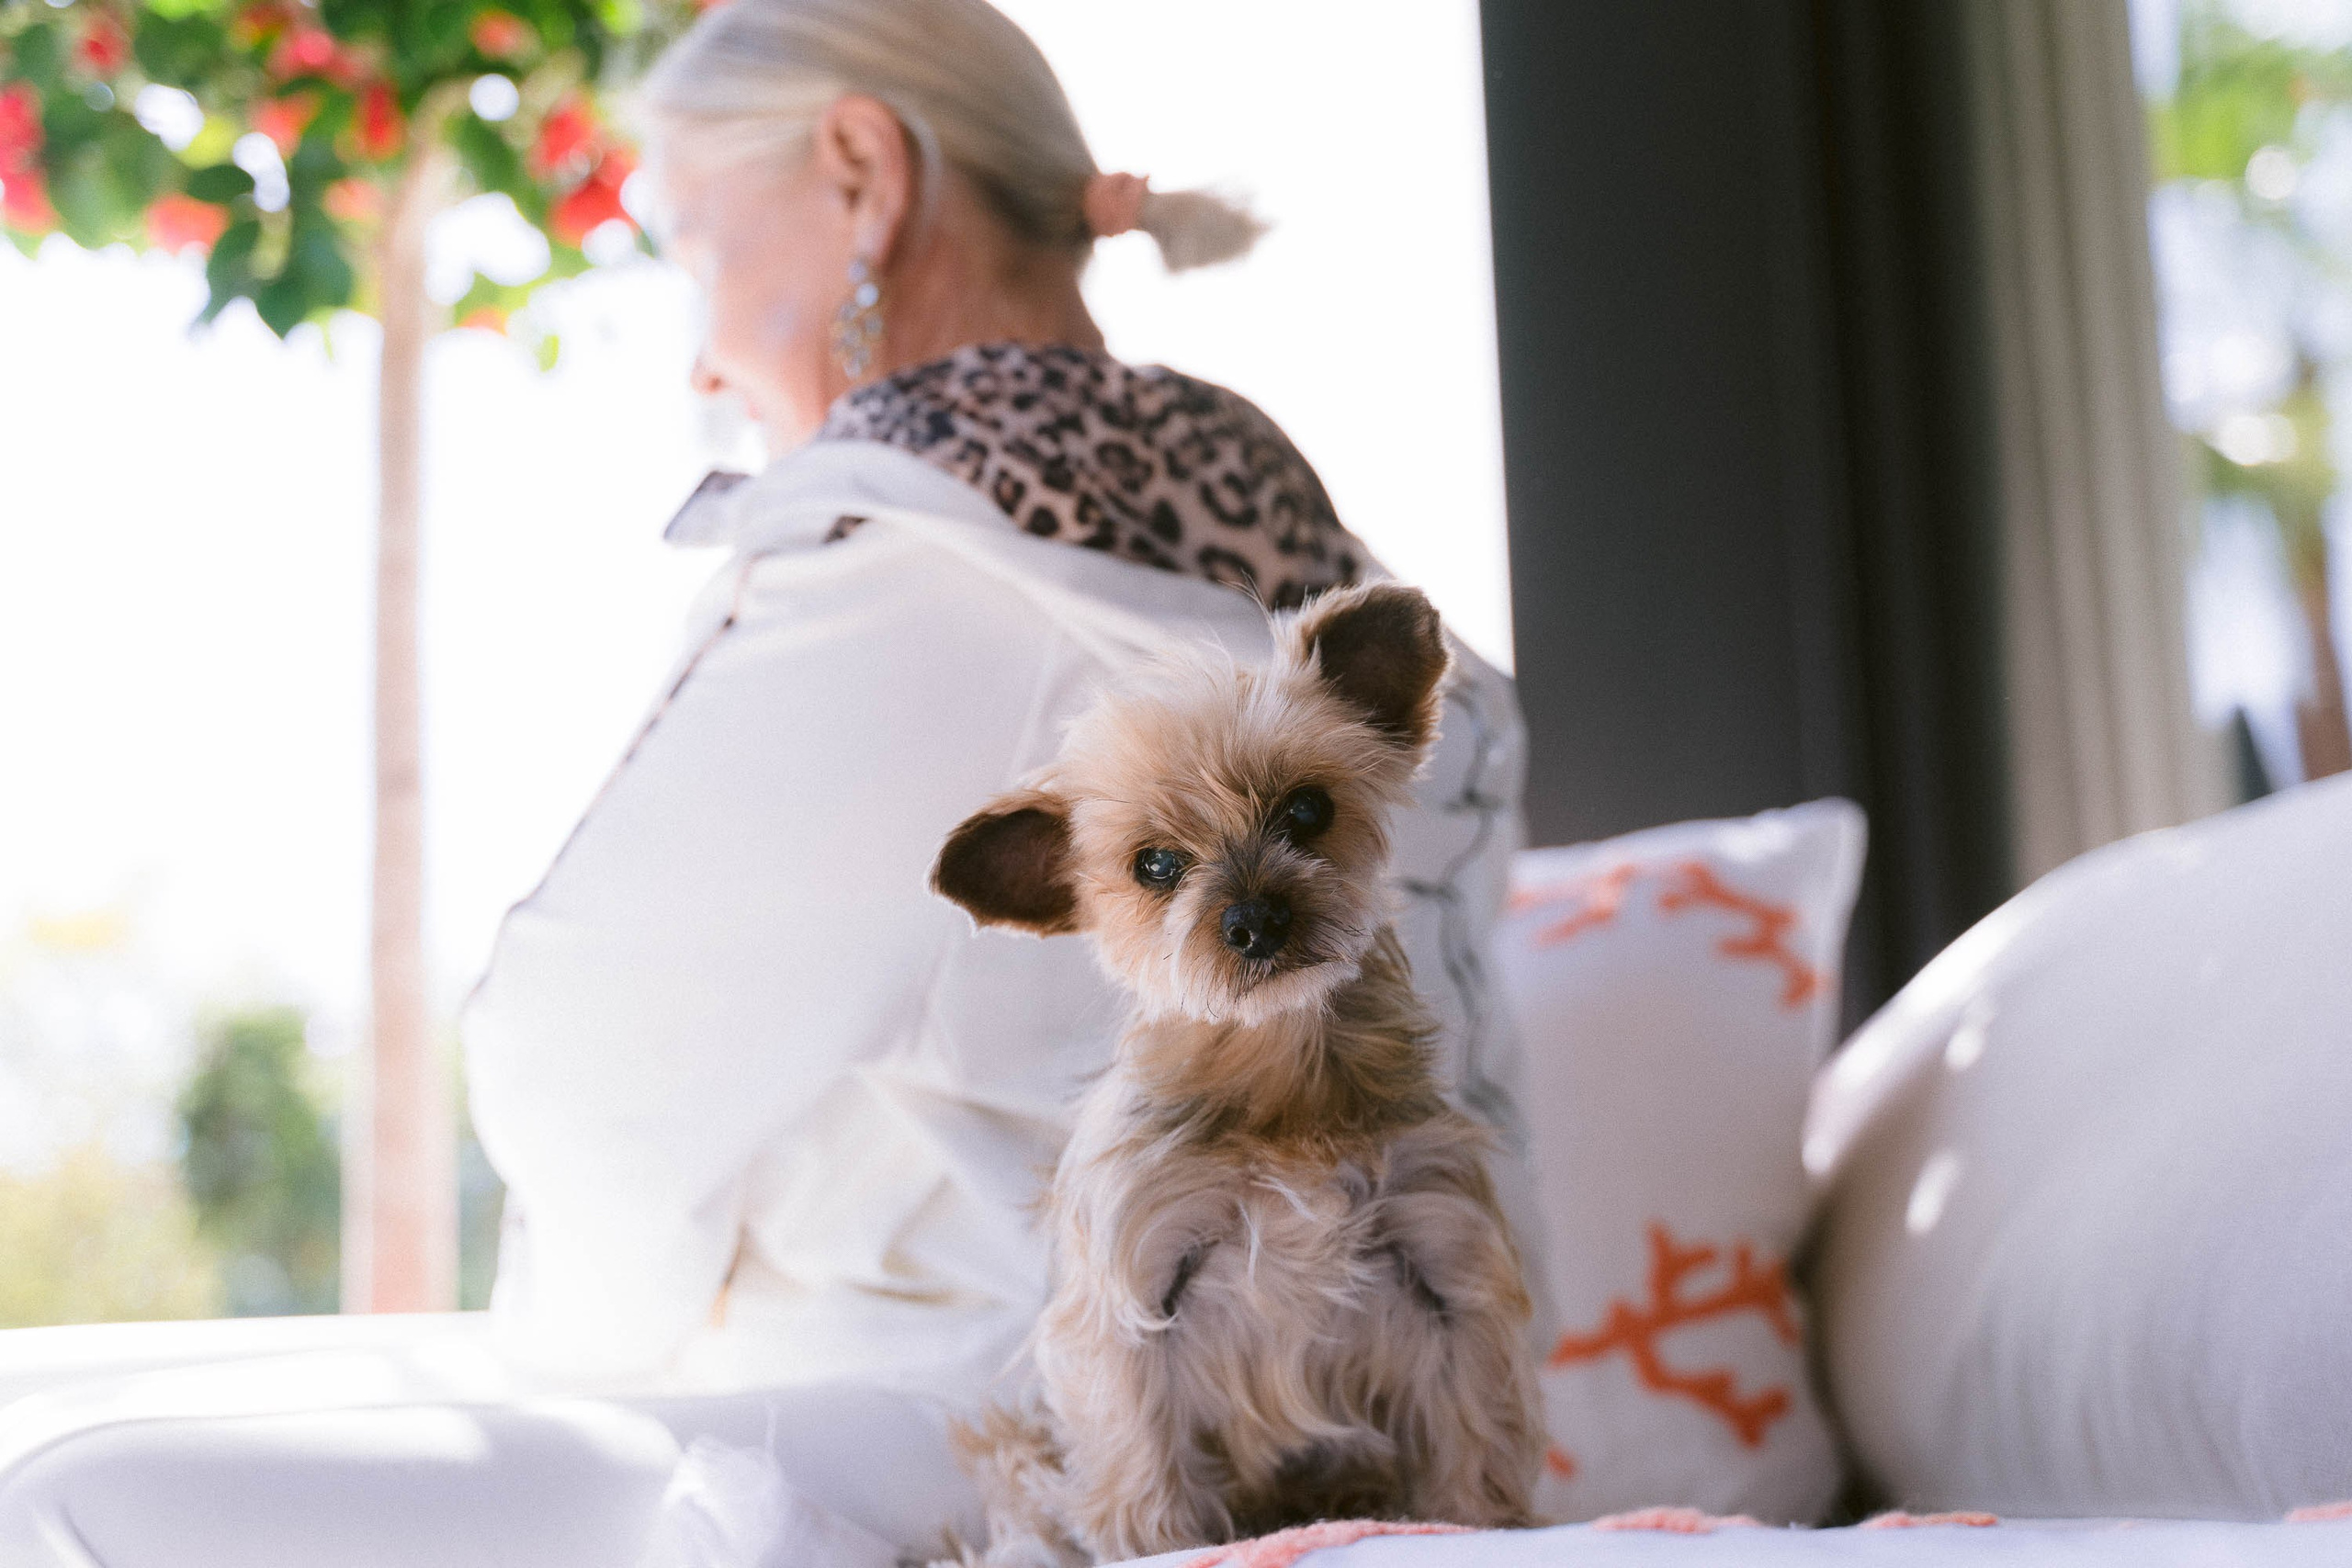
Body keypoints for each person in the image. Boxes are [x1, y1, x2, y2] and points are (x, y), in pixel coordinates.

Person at [0, 2, 1544, 1562]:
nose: (703, 347)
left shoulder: (912, 570)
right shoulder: (1328, 585)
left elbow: (586, 1069)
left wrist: (598, 1349)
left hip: (1011, 1443)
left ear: (862, 175)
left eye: (695, 249)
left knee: (74, 1501)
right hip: (1424, 1461)